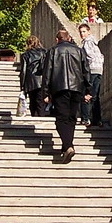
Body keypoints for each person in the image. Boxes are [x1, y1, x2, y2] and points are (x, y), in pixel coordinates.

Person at [44, 29, 89, 162]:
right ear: (69, 39)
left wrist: (45, 92)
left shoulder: (53, 51)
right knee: (71, 118)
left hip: (60, 88)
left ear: (57, 39)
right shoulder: (79, 51)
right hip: (76, 88)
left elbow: (48, 73)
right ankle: (66, 147)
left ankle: (68, 146)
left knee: (61, 120)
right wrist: (88, 90)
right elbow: (86, 71)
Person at [77, 22, 103, 127]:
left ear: (89, 32)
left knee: (86, 95)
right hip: (99, 70)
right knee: (95, 96)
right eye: (80, 32)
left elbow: (89, 56)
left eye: (84, 31)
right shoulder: (94, 42)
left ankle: (86, 118)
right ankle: (97, 119)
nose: (82, 34)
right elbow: (100, 56)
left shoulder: (87, 43)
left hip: (91, 70)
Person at [18, 35, 47, 117]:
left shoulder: (25, 55)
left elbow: (23, 71)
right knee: (40, 102)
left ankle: (34, 117)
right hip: (41, 80)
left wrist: (22, 86)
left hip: (30, 81)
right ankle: (42, 118)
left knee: (32, 102)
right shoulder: (44, 52)